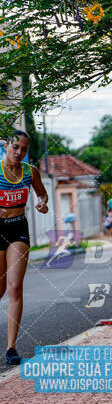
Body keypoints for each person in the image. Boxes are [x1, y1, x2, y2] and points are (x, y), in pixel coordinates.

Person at [0, 130, 48, 365]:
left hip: (18, 229)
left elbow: (43, 194)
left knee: (15, 287)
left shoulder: (31, 172)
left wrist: (42, 203)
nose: (19, 152)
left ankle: (11, 348)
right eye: (15, 147)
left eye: (24, 149)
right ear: (6, 146)